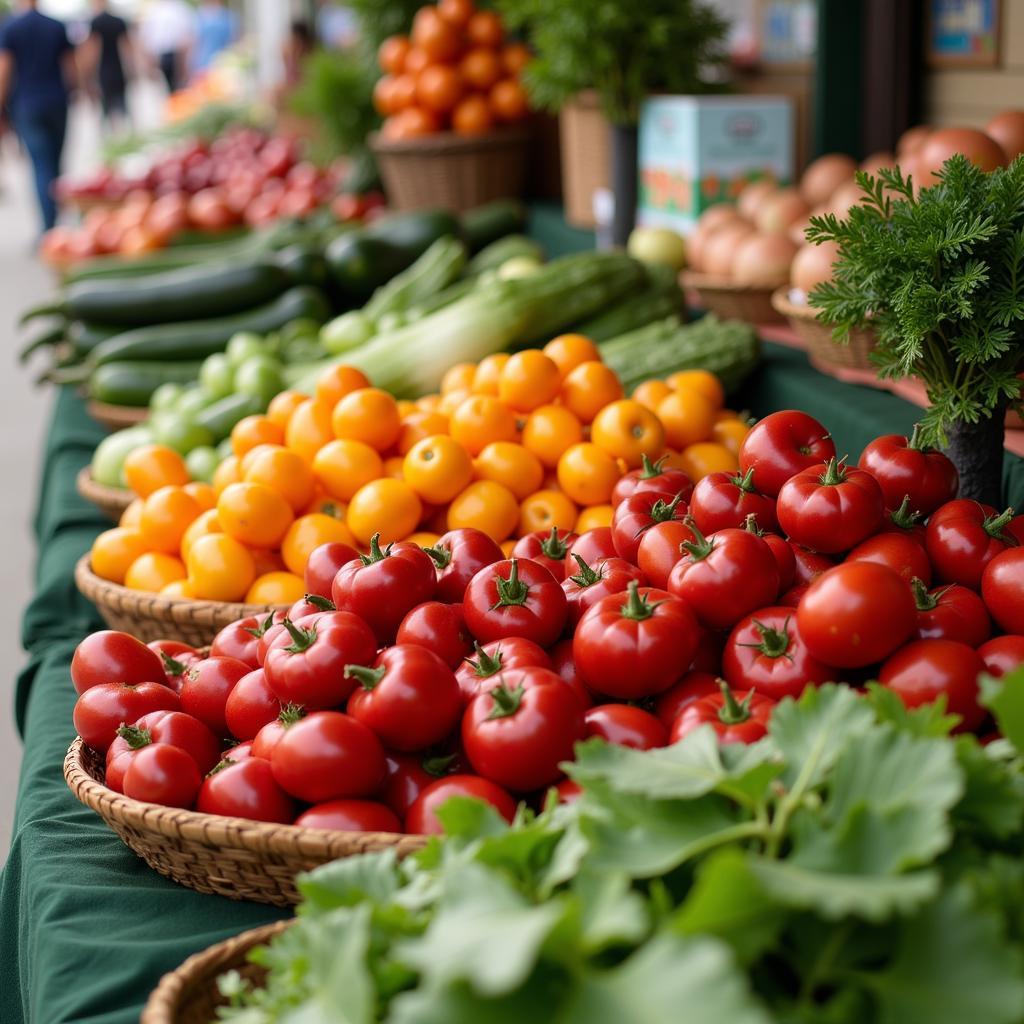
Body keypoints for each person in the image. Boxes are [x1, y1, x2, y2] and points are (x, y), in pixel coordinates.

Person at [0, 0, 76, 232]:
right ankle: (56, 219)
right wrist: (75, 91)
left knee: (41, 165)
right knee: (55, 162)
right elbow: (70, 66)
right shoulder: (56, 25)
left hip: (27, 106)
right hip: (57, 102)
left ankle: (49, 227)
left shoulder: (10, 27)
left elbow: (5, 70)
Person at [84, 0, 132, 130]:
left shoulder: (95, 23)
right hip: (118, 70)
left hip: (104, 73)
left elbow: (93, 52)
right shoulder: (118, 21)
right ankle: (124, 135)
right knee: (122, 109)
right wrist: (132, 70)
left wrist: (88, 76)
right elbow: (127, 48)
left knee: (105, 111)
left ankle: (112, 137)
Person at [139, 0, 193, 94]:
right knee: (167, 87)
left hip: (177, 53)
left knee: (180, 87)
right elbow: (147, 37)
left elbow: (187, 36)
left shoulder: (179, 8)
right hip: (161, 54)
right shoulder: (154, 9)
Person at [192, 0, 237, 78]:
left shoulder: (227, 17)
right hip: (201, 64)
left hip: (221, 63)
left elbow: (233, 41)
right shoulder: (198, 16)